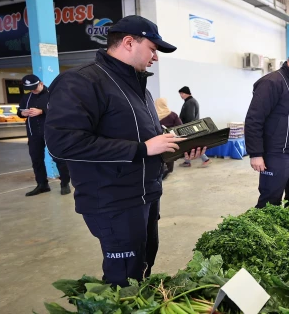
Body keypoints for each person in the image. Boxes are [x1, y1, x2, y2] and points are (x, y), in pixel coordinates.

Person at [44, 15, 206, 287]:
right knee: (124, 278)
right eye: (153, 49)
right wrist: (142, 148)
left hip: (146, 193)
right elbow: (62, 143)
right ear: (129, 42)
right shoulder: (82, 82)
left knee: (143, 264)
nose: (156, 57)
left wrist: (176, 148)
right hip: (113, 200)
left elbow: (148, 141)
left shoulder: (140, 89)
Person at [244, 45, 289, 208]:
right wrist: (255, 153)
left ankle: (288, 231)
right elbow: (254, 120)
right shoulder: (271, 82)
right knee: (270, 200)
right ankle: (262, 231)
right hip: (276, 154)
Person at [17, 74, 71, 196]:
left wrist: (42, 111)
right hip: (33, 133)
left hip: (52, 132)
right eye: (30, 88)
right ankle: (42, 184)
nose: (33, 90)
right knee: (36, 159)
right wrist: (23, 113)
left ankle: (65, 183)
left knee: (58, 157)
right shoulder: (26, 97)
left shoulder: (53, 94)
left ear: (41, 83)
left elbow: (62, 110)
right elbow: (19, 111)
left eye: (34, 87)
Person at [178, 86, 211, 168]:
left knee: (193, 146)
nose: (181, 96)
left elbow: (190, 117)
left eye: (182, 93)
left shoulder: (190, 102)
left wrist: (185, 127)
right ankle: (187, 162)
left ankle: (206, 160)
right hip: (190, 127)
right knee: (190, 146)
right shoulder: (189, 101)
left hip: (190, 128)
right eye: (180, 94)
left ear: (186, 93)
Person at [155, 98, 183, 180]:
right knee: (170, 156)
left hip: (157, 142)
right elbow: (180, 127)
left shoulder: (153, 116)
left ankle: (161, 171)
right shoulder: (173, 115)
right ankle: (168, 170)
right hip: (170, 140)